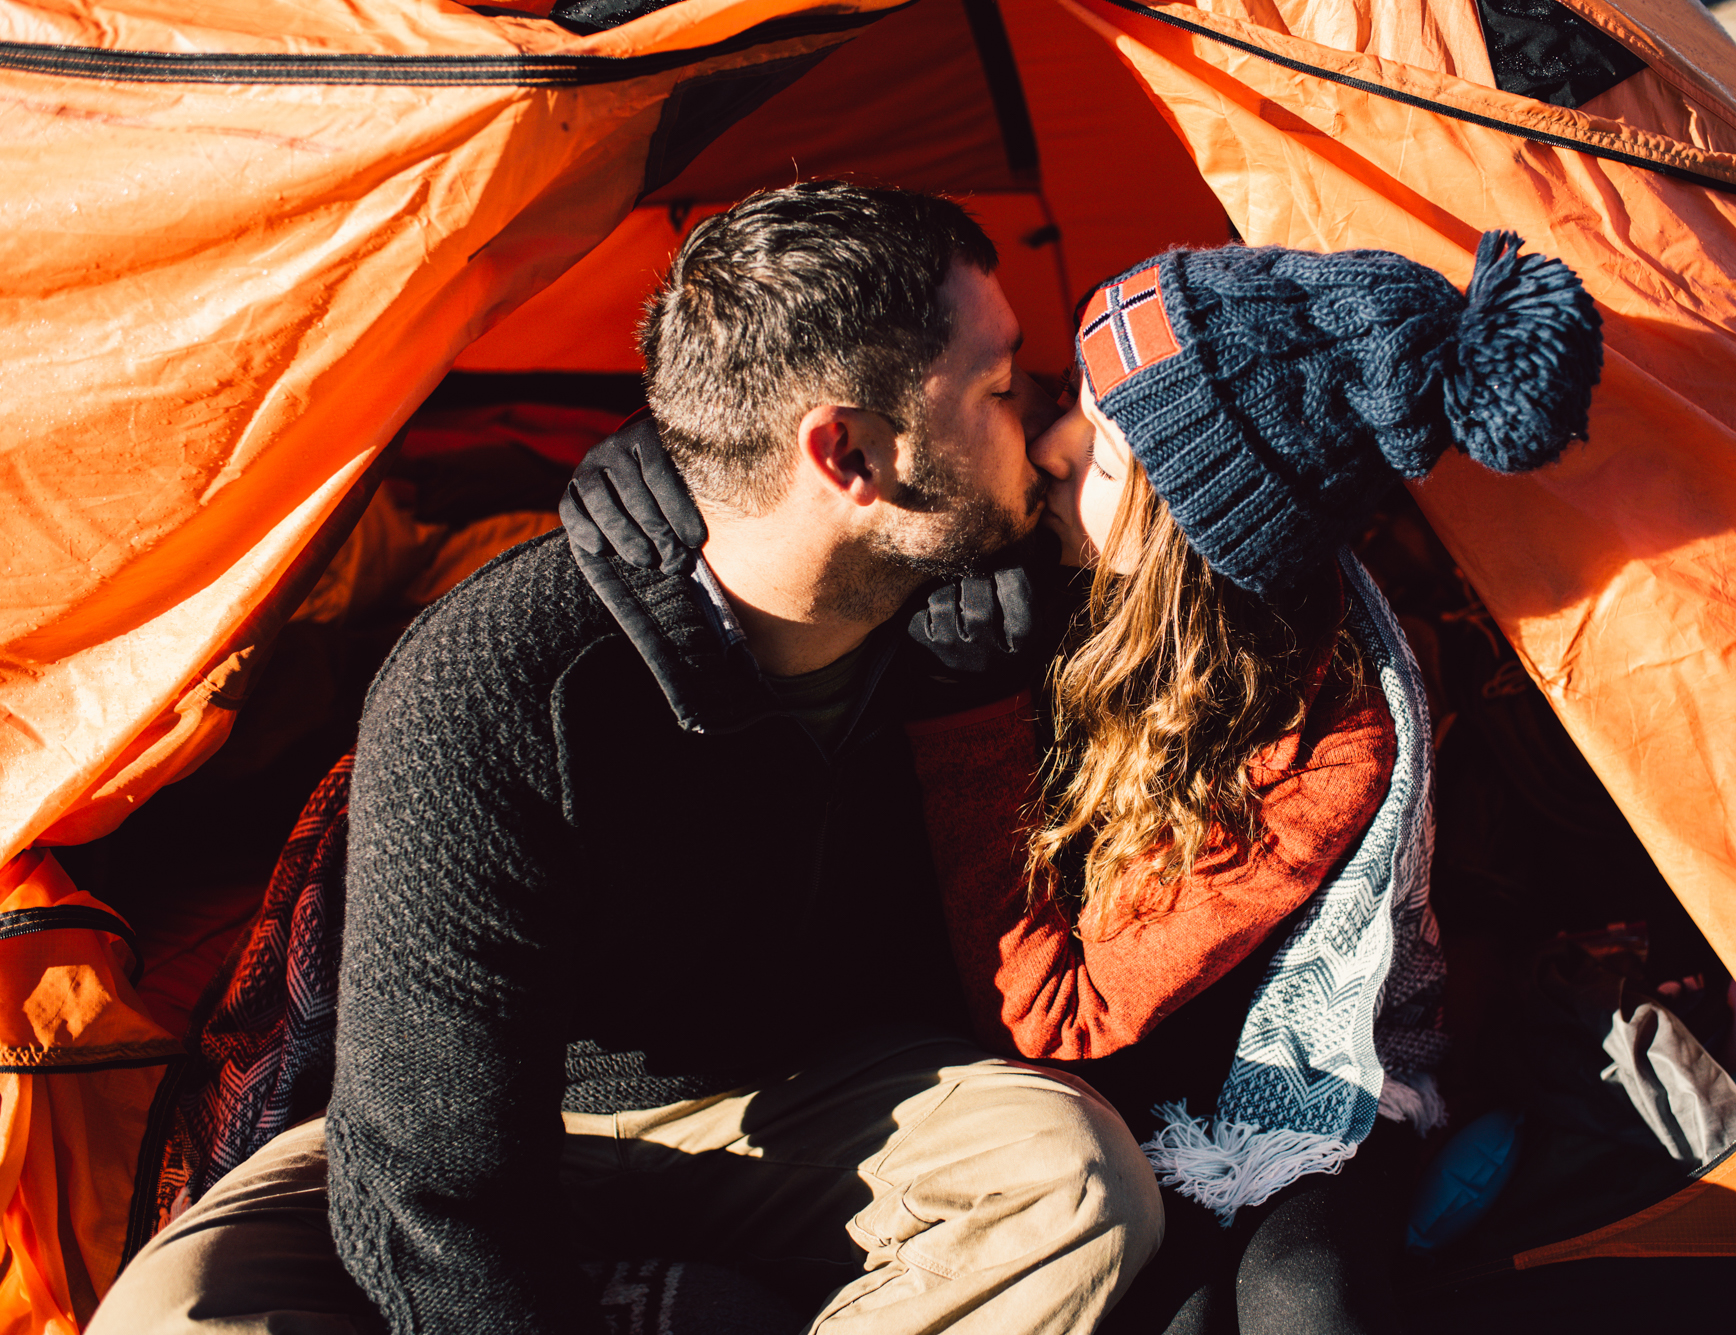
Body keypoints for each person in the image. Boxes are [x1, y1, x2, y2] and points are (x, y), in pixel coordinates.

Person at [94, 181, 1164, 1335]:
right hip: (529, 1111)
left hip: (824, 1104)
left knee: (1071, 1184)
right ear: (849, 453)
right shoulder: (498, 683)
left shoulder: (990, 605)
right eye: (1003, 387)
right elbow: (430, 1171)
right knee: (176, 1315)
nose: (1050, 426)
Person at [903, 233, 1604, 1334]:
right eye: (1065, 394)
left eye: (1096, 459)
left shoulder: (1327, 737)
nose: (1042, 444)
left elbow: (1064, 1012)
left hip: (1277, 1066)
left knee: (1302, 1296)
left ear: (1184, 534)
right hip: (1084, 1079)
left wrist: (967, 721)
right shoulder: (1016, 562)